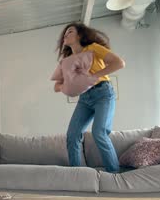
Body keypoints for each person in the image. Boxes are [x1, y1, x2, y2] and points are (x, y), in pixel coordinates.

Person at [53, 23, 125, 172]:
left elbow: (119, 63)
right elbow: (56, 86)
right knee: (72, 135)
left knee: (99, 132)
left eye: (70, 31)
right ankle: (77, 175)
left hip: (103, 93)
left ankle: (114, 174)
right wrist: (65, 87)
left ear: (80, 35)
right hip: (84, 99)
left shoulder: (92, 48)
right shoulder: (68, 61)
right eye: (65, 33)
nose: (65, 34)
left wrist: (92, 77)